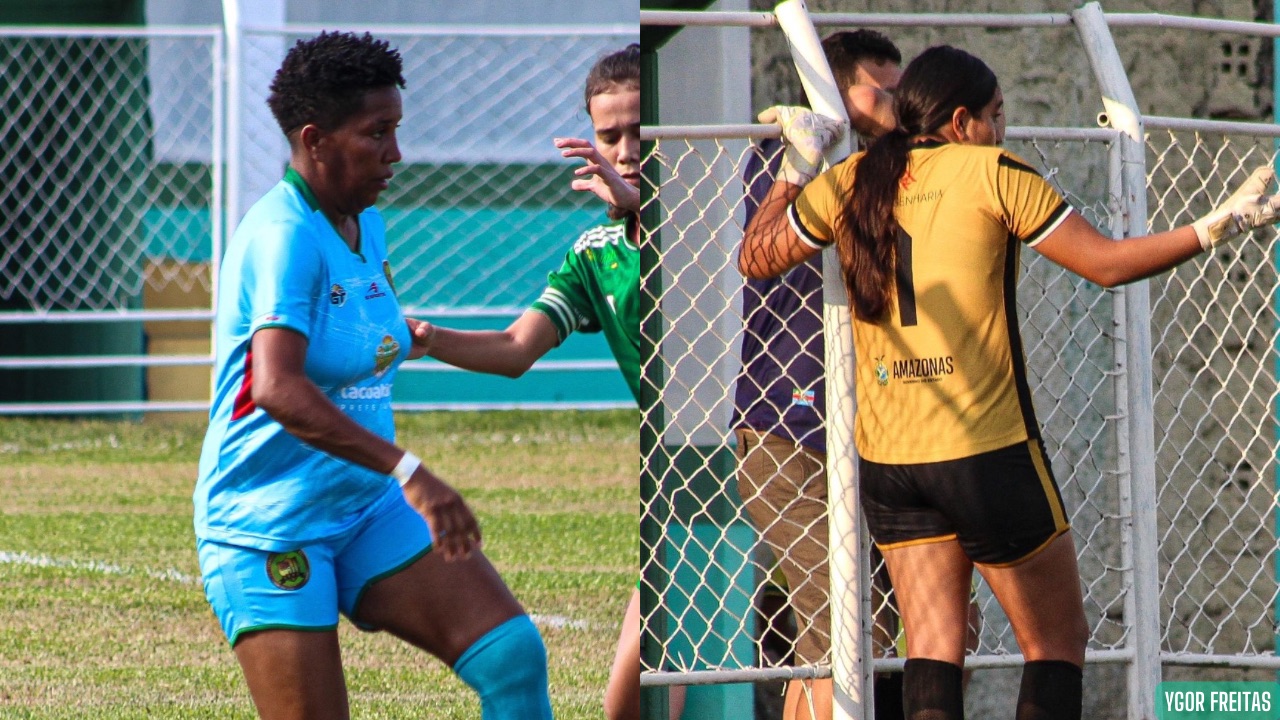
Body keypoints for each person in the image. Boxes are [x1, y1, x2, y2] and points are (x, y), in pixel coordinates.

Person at [741, 44, 1280, 720]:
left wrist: (796, 163)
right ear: (963, 121)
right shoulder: (991, 171)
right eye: (998, 116)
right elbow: (1107, 265)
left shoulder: (850, 179)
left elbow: (755, 255)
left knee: (932, 646)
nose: (1003, 130)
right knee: (1057, 640)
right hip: (984, 452)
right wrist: (1210, 229)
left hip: (891, 460)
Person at [194, 32, 552, 720]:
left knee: (511, 657)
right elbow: (277, 387)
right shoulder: (283, 236)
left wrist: (414, 342)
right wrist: (411, 471)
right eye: (376, 133)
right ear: (315, 139)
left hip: (364, 510)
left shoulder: (367, 225)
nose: (395, 154)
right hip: (269, 526)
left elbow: (361, 337)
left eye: (397, 130)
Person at [403, 45, 681, 720]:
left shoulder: (702, 219)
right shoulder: (594, 255)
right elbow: (515, 348)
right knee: (627, 702)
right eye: (608, 134)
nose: (623, 149)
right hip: (667, 484)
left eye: (638, 131)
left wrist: (644, 212)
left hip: (743, 461)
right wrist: (427, 338)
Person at [737, 31, 983, 720]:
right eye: (882, 89)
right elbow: (760, 249)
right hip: (791, 432)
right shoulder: (789, 158)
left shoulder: (894, 168)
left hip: (887, 433)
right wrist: (803, 155)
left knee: (949, 623)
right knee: (844, 632)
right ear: (835, 95)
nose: (899, 104)